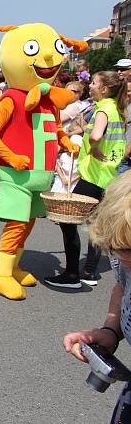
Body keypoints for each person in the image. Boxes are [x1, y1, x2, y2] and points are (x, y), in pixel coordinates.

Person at [46, 71, 128, 288]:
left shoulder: (103, 109)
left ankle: (72, 274)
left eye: (93, 83)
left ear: (104, 89)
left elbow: (95, 136)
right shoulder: (117, 110)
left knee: (67, 218)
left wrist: (93, 147)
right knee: (96, 224)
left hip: (94, 176)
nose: (89, 86)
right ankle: (90, 271)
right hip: (108, 176)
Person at [62, 172, 131, 422]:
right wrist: (111, 330)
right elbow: (121, 288)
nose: (124, 260)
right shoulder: (124, 258)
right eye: (117, 248)